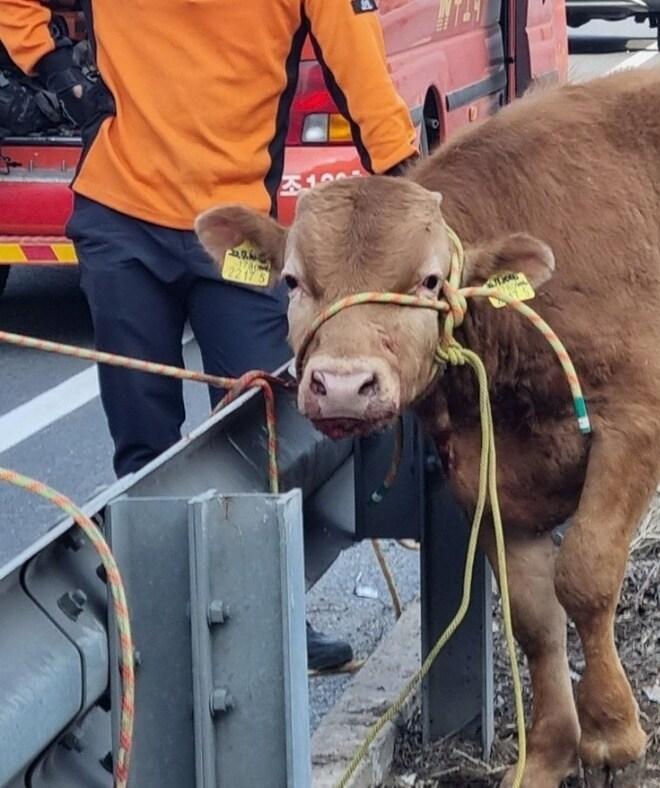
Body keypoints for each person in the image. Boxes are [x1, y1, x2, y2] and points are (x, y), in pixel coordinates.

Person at [0, 0, 419, 671]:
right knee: (144, 445)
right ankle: (152, 625)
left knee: (264, 433)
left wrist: (406, 181)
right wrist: (62, 77)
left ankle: (270, 612)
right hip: (120, 217)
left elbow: (359, 62)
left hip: (231, 229)